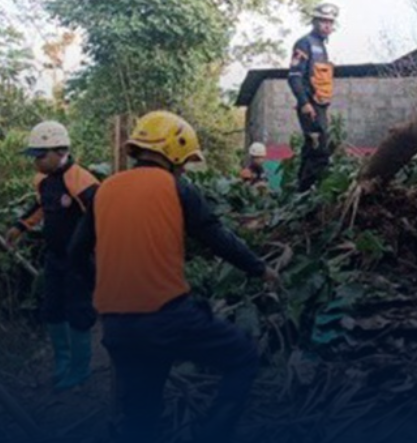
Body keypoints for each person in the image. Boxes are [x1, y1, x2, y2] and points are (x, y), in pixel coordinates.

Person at [69, 111, 280, 443]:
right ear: (174, 150)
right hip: (167, 317)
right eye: (184, 161)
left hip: (117, 326)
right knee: (242, 357)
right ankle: (212, 434)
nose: (184, 168)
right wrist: (260, 268)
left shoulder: (103, 191)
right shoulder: (177, 188)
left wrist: (103, 287)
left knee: (142, 411)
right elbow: (217, 237)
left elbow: (75, 254)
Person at [5, 121, 98, 390]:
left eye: (40, 155)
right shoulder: (45, 182)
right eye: (34, 156)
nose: (36, 162)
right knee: (53, 307)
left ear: (60, 151)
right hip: (55, 256)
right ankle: (62, 361)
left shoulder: (80, 180)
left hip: (79, 259)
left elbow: (102, 214)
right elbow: (41, 207)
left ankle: (80, 367)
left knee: (78, 309)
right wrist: (21, 226)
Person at [288, 3, 339, 192]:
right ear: (315, 21)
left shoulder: (322, 47)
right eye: (323, 21)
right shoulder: (305, 43)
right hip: (310, 106)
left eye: (330, 22)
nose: (327, 26)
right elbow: (294, 77)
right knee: (320, 151)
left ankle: (300, 193)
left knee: (311, 150)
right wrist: (304, 103)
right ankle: (313, 193)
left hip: (320, 105)